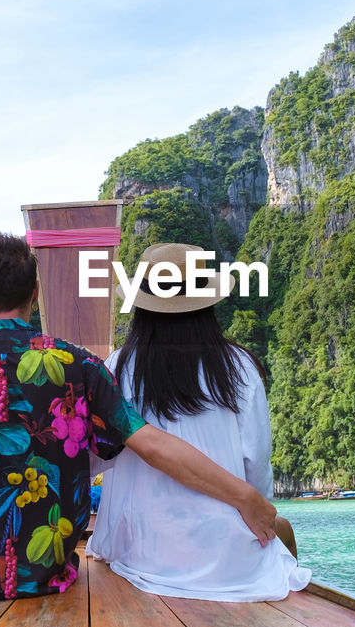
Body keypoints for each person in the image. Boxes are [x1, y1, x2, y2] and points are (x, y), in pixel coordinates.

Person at [0, 235, 278, 600]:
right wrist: (246, 497)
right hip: (48, 573)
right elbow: (149, 444)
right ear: (36, 292)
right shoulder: (81, 364)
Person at [86, 242, 311, 600]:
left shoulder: (118, 367)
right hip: (225, 558)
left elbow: (97, 457)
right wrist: (256, 508)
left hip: (142, 552)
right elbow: (256, 464)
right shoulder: (239, 368)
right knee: (282, 533)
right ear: (205, 302)